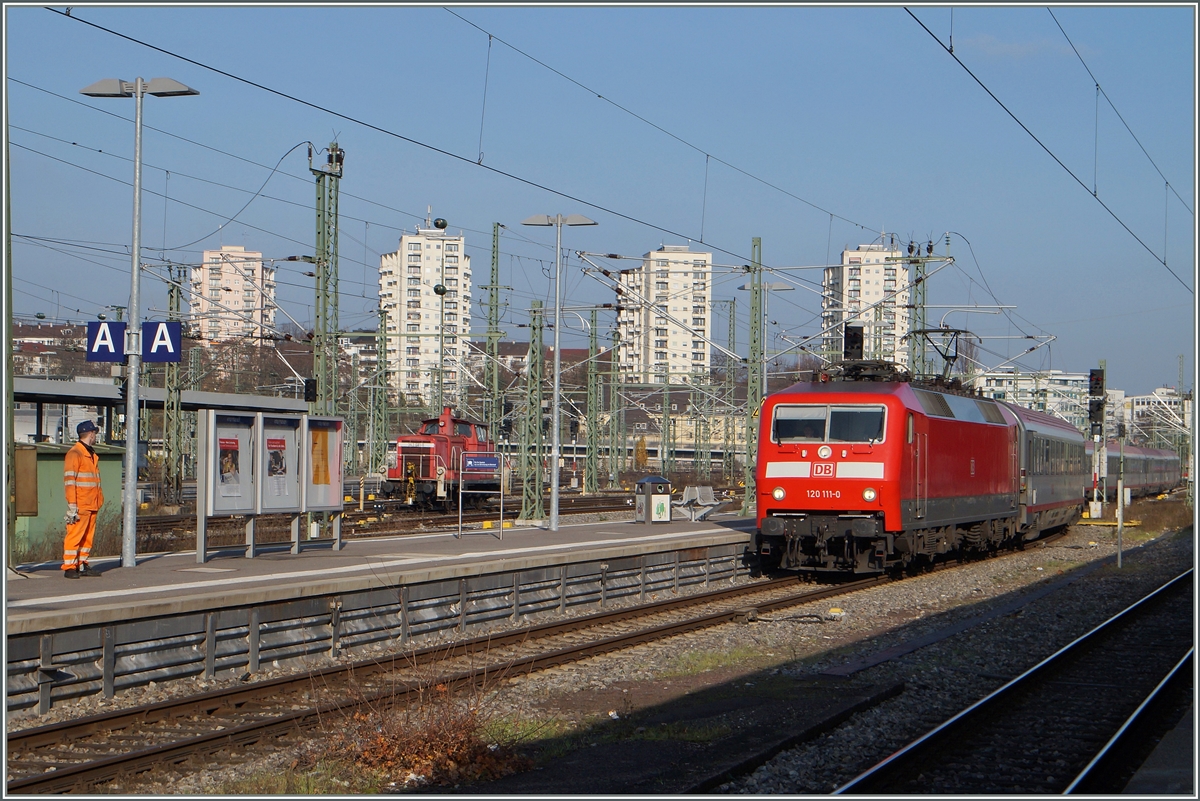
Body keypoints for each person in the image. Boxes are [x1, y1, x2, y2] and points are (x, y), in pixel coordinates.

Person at [63, 420, 104, 578]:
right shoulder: (75, 454)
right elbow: (69, 481)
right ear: (91, 434)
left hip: (91, 503)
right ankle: (70, 567)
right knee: (75, 535)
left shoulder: (90, 454)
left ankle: (82, 563)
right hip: (80, 504)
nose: (95, 436)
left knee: (87, 536)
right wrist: (72, 505)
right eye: (95, 433)